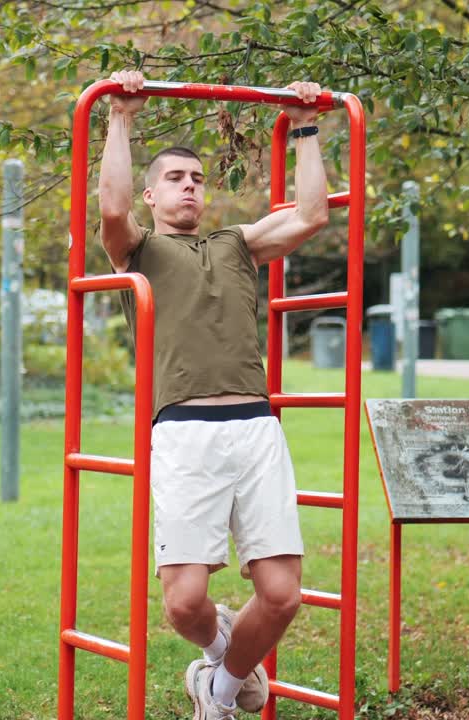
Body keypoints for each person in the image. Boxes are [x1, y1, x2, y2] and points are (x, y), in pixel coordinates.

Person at [98, 70, 329, 720]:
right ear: (152, 192)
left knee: (283, 595)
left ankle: (219, 691)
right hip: (183, 431)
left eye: (197, 179)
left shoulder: (236, 244)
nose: (190, 187)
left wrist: (307, 123)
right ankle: (223, 647)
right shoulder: (136, 253)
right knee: (184, 603)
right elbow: (110, 210)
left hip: (255, 427)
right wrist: (121, 115)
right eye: (175, 178)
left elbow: (311, 215)